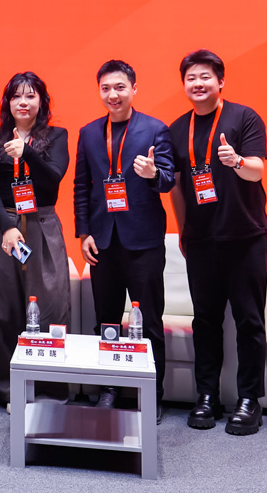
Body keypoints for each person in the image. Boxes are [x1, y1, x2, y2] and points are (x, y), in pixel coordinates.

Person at [168, 49, 267, 436]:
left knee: (249, 320)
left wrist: (237, 161)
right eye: (191, 78)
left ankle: (249, 400)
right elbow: (178, 187)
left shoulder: (244, 118)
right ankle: (207, 396)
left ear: (220, 81)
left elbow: (258, 170)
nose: (198, 83)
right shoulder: (178, 128)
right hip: (202, 240)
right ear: (184, 84)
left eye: (205, 77)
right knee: (205, 321)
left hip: (245, 237)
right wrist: (183, 230)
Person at [73, 59, 174, 419]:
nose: (112, 95)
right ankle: (110, 388)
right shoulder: (88, 133)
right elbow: (81, 186)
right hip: (102, 241)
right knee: (107, 321)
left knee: (149, 321)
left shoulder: (155, 130)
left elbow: (168, 181)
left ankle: (152, 392)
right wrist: (84, 232)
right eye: (106, 88)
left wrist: (153, 173)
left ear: (134, 89)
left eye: (119, 87)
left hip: (143, 241)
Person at [0, 72, 70, 408]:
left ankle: (49, 392)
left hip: (42, 225)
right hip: (6, 229)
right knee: (3, 312)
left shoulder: (56, 136)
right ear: (7, 102)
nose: (23, 102)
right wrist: (6, 225)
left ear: (41, 102)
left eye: (30, 95)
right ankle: (10, 391)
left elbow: (54, 177)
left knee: (50, 309)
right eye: (16, 96)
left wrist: (27, 152)